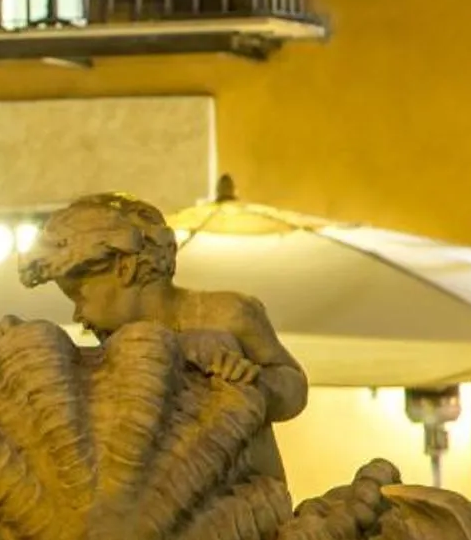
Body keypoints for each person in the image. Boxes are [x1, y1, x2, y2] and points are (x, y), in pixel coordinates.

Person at [17, 192, 308, 478]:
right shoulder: (116, 341)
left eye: (79, 298)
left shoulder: (226, 313)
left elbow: (294, 384)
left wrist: (258, 383)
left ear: (126, 268)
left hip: (240, 492)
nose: (78, 316)